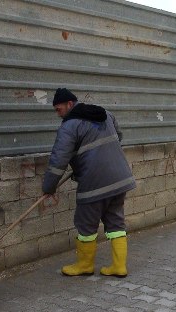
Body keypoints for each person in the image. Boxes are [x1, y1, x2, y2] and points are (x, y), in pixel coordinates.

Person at [43, 88, 136, 277]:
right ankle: (119, 266)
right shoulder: (105, 114)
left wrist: (49, 187)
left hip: (94, 183)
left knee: (85, 224)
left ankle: (85, 265)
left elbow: (58, 160)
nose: (58, 114)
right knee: (116, 222)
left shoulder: (69, 126)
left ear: (70, 104)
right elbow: (118, 138)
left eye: (58, 109)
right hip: (120, 179)